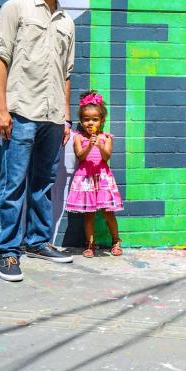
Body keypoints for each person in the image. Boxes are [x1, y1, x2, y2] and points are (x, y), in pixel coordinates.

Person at [0, 0, 75, 282]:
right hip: (22, 111)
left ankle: (38, 241)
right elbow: (0, 58)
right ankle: (7, 251)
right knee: (13, 184)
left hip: (53, 116)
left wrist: (66, 117)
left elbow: (66, 72)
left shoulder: (67, 21)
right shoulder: (17, 8)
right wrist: (1, 108)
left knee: (44, 183)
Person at [66, 91, 124, 258]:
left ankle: (116, 241)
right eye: (86, 119)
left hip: (102, 177)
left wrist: (99, 145)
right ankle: (90, 244)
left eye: (94, 119)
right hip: (85, 178)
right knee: (89, 214)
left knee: (108, 212)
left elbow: (106, 157)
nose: (90, 123)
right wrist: (89, 146)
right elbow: (80, 156)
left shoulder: (106, 138)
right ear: (81, 121)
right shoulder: (78, 138)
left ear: (101, 121)